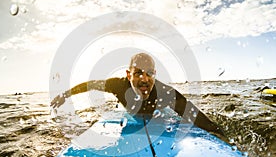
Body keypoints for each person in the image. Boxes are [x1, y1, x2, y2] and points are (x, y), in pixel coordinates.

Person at [51, 53, 225, 139]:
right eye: (138, 73)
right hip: (131, 119)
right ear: (129, 74)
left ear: (155, 74)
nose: (144, 79)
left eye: (149, 73)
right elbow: (89, 85)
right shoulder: (118, 85)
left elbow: (193, 114)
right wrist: (65, 95)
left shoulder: (165, 93)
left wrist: (218, 132)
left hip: (157, 118)